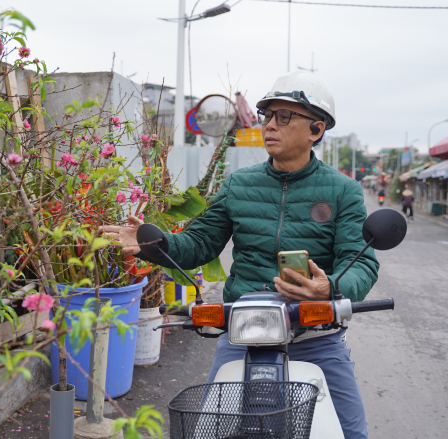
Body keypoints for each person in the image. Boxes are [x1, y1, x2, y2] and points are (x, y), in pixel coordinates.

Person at [100, 71, 378, 439]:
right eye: (267, 116)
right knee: (212, 431)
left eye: (284, 117)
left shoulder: (343, 190)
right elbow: (200, 243)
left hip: (316, 334)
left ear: (316, 128)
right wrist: (156, 243)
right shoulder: (238, 183)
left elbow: (360, 261)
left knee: (351, 432)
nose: (269, 126)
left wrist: (330, 288)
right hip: (246, 331)